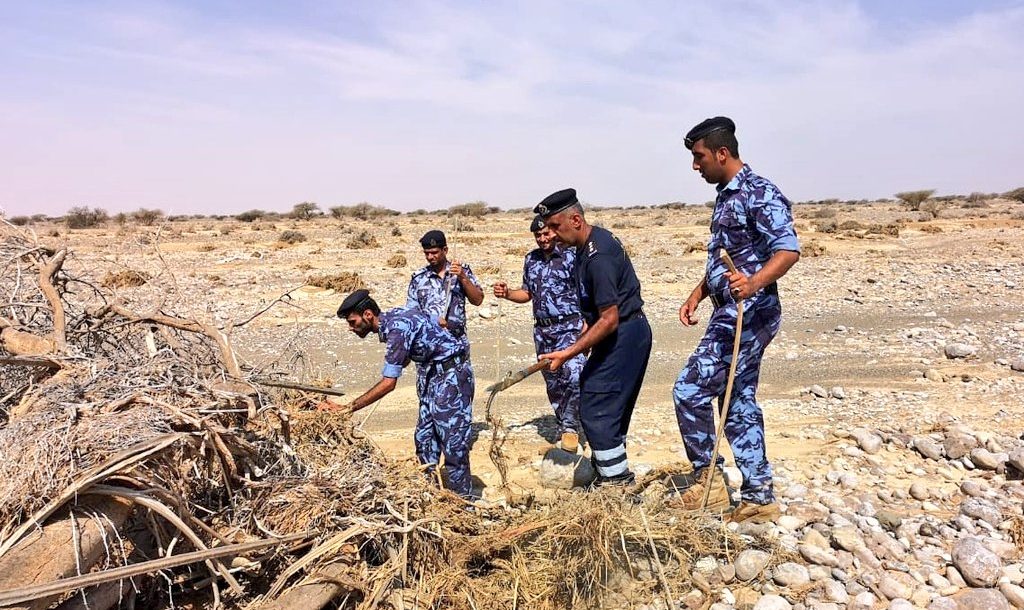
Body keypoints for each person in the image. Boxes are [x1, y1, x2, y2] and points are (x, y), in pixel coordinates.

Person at [672, 116, 800, 523]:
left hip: (749, 313)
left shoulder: (759, 192)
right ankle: (759, 495)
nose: (696, 166)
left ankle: (706, 483)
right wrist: (699, 292)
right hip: (727, 309)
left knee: (689, 390)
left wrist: (754, 284)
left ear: (722, 153)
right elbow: (728, 259)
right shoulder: (726, 196)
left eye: (699, 157)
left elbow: (788, 250)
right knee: (738, 400)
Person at [535, 189, 652, 486]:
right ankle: (610, 472)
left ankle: (616, 485)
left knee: (598, 405)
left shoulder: (597, 256)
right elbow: (596, 314)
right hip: (618, 332)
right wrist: (580, 343)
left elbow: (609, 317)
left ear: (575, 219)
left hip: (625, 334)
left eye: (556, 228)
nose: (553, 235)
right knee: (598, 398)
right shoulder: (586, 247)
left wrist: (568, 353)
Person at [322, 289, 476, 498]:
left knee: (453, 444)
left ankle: (464, 502)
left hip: (452, 379)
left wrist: (348, 408)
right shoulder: (397, 315)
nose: (351, 328)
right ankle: (429, 495)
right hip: (432, 376)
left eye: (352, 321)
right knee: (424, 439)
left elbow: (388, 384)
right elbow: (437, 321)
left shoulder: (396, 329)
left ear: (368, 315)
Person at [493, 215, 585, 452]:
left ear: (554, 232)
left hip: (570, 326)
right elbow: (527, 294)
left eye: (546, 234)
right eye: (538, 235)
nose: (543, 239)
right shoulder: (531, 260)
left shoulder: (572, 256)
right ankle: (564, 421)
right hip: (543, 330)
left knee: (574, 374)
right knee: (553, 382)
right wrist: (507, 293)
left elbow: (588, 292)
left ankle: (570, 428)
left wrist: (587, 326)